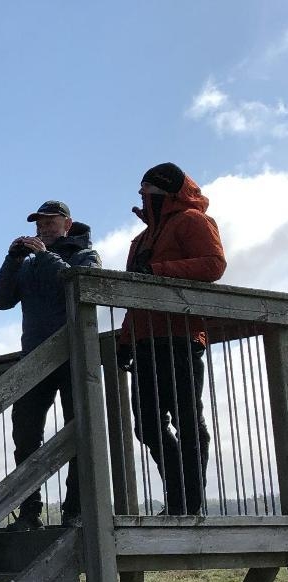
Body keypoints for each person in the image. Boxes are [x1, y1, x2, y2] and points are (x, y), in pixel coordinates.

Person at [118, 162, 226, 515]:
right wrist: (124, 339)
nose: (141, 197)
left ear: (163, 194)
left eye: (146, 191)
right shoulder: (142, 238)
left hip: (181, 336)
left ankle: (189, 503)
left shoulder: (193, 221)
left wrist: (158, 271)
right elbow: (135, 293)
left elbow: (213, 264)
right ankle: (181, 495)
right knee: (147, 426)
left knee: (187, 422)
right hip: (145, 340)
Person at [0, 201, 101, 530]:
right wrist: (13, 260)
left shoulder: (83, 254)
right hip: (35, 359)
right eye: (40, 223)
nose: (43, 228)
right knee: (25, 435)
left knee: (79, 432)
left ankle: (76, 511)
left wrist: (44, 256)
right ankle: (29, 512)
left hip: (75, 356)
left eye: (50, 222)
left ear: (67, 224)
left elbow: (85, 285)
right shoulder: (27, 263)